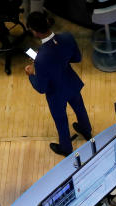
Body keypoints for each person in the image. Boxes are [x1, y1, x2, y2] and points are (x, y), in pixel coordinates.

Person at [23, 12, 92, 157]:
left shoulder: (40, 59)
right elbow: (77, 58)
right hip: (70, 82)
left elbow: (41, 88)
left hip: (56, 93)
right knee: (80, 107)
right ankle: (85, 129)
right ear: (47, 22)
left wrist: (31, 74)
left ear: (35, 32)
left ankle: (66, 148)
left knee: (61, 120)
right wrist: (60, 61)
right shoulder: (67, 37)